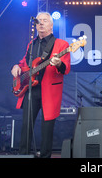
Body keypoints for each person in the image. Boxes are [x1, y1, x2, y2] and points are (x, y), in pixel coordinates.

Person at [11, 12, 70, 158]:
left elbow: (66, 69)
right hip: (31, 89)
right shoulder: (32, 43)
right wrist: (17, 66)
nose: (41, 23)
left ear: (51, 25)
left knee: (47, 127)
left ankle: (45, 156)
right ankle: (23, 155)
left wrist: (59, 63)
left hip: (50, 90)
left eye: (45, 21)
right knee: (26, 125)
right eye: (39, 21)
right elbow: (25, 62)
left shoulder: (62, 44)